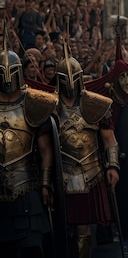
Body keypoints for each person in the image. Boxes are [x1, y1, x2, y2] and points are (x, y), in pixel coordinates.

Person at [54, 47, 120, 257]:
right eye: (66, 78)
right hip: (60, 174)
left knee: (83, 227)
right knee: (61, 227)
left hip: (89, 172)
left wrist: (112, 166)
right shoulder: (49, 105)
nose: (71, 83)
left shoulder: (94, 104)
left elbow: (110, 140)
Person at [0, 45, 58, 258]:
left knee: (31, 247)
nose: (7, 78)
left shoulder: (33, 103)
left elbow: (45, 150)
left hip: (27, 186)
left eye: (11, 72)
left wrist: (45, 183)